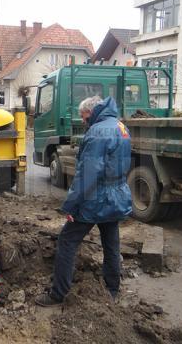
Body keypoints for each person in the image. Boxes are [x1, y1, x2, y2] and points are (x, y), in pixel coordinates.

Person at [35, 96, 132, 307]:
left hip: (95, 199)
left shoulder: (97, 132)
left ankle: (58, 294)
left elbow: (88, 174)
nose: (82, 120)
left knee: (67, 241)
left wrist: (71, 205)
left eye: (83, 115)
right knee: (111, 244)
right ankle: (112, 290)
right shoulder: (120, 127)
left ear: (92, 111)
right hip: (116, 196)